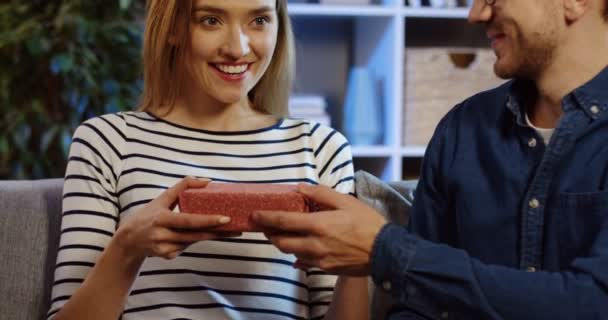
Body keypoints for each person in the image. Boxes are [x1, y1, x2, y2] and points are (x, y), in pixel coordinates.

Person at [251, 0, 608, 319]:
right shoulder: (462, 129)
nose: (475, 14)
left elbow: (593, 302)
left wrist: (386, 251)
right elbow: (417, 305)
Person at [47, 0, 369, 319]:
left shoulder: (320, 148)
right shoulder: (107, 141)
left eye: (258, 21)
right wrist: (129, 248)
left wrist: (361, 257)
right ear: (172, 28)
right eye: (211, 20)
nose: (237, 48)